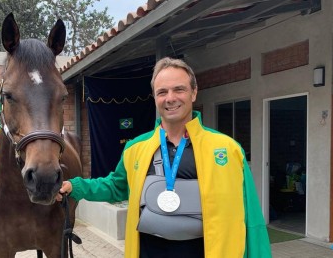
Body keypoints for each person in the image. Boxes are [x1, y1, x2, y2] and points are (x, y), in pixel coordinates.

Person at [57, 57, 271, 258]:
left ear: (194, 92)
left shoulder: (227, 149)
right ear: (155, 97)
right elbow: (116, 186)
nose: (170, 98)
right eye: (162, 92)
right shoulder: (136, 147)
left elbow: (252, 217)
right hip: (149, 250)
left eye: (179, 89)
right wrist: (76, 187)